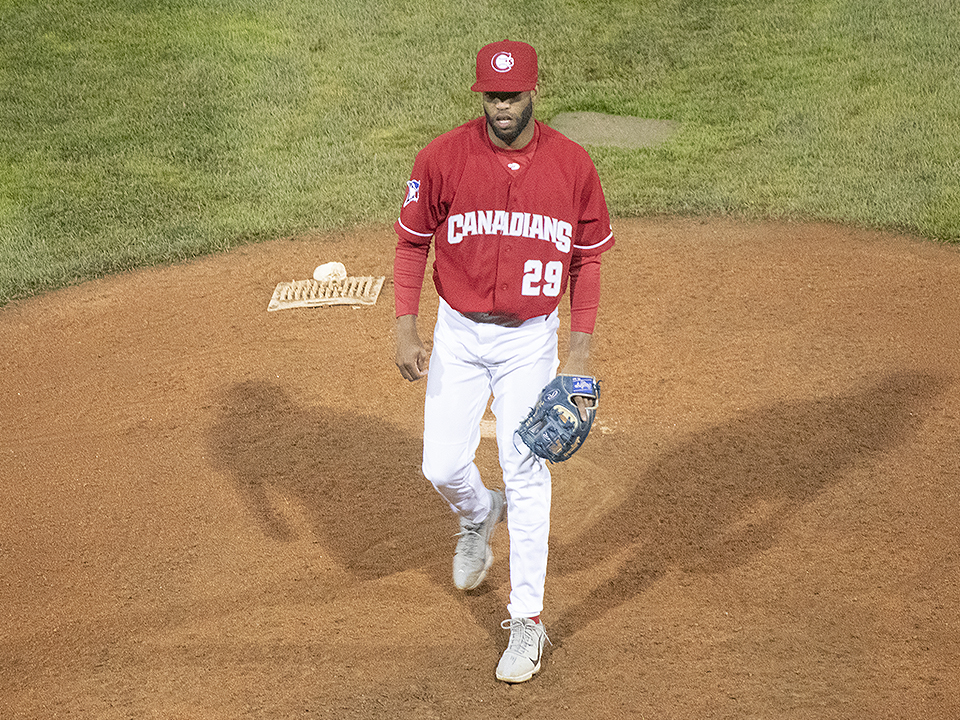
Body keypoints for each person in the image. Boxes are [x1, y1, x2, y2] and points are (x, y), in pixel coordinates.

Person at [392, 39, 614, 683]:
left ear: (533, 93)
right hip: (458, 332)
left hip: (529, 341)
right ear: (481, 95)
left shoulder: (572, 165)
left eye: (512, 96)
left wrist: (578, 351)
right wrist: (405, 326)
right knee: (440, 464)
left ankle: (528, 623)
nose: (501, 108)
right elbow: (411, 243)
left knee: (526, 469)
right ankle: (476, 513)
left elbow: (588, 258)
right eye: (492, 96)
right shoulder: (441, 159)